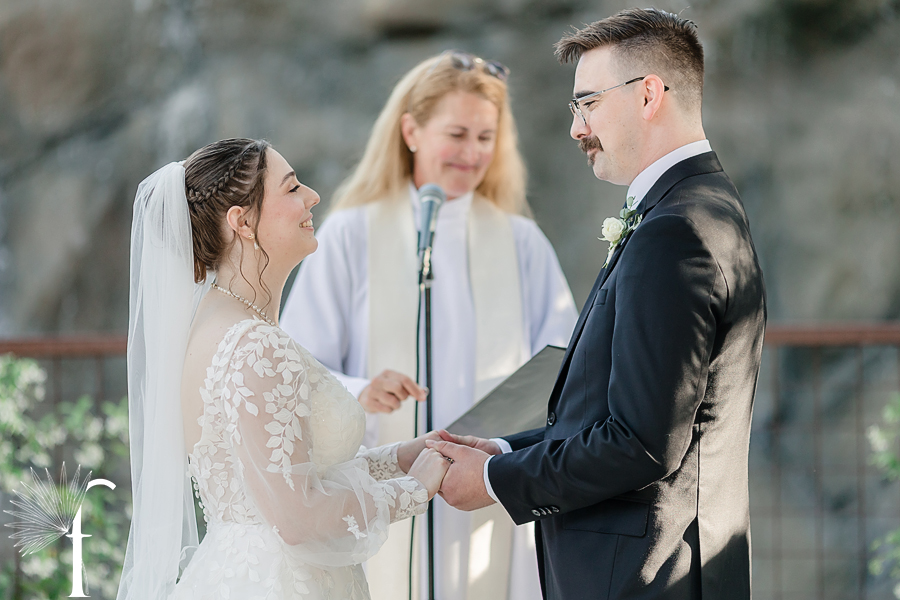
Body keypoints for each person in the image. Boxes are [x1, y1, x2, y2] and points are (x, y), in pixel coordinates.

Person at [428, 9, 767, 600]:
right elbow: (624, 412)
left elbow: (640, 443)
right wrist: (508, 447)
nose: (576, 128)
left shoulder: (677, 230)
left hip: (645, 578)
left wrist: (493, 479)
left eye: (587, 103)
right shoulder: (699, 207)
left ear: (649, 95)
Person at [280, 52, 578, 600]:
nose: (472, 153)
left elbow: (564, 364)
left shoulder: (521, 243)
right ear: (411, 130)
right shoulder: (349, 235)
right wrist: (358, 392)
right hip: (384, 476)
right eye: (458, 133)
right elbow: (296, 363)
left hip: (491, 483)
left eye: (486, 137)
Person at [118, 138, 451, 600]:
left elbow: (287, 476)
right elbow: (297, 517)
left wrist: (398, 458)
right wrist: (415, 490)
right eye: (292, 188)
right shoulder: (255, 344)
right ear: (243, 222)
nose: (312, 196)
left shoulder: (219, 324)